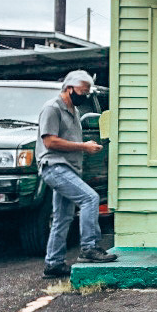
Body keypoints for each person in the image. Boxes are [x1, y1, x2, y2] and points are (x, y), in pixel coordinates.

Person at [38, 70, 117, 278]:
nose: (85, 96)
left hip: (68, 168)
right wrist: (83, 146)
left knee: (62, 217)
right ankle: (89, 248)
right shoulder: (52, 109)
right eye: (83, 92)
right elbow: (50, 141)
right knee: (90, 198)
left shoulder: (73, 110)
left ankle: (53, 264)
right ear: (69, 88)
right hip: (55, 166)